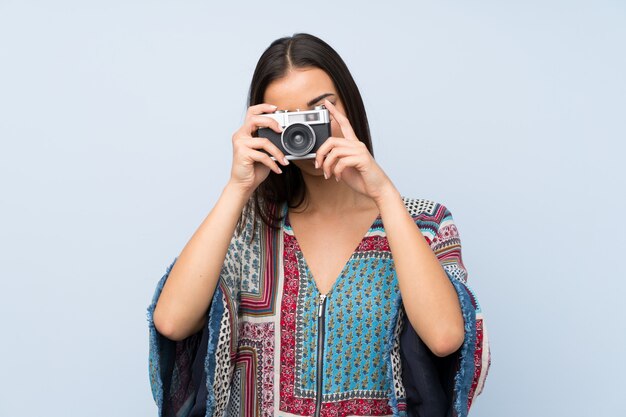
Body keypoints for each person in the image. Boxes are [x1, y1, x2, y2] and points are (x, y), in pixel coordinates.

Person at [146, 33, 490, 417]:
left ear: (349, 105)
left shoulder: (426, 222)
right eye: (286, 119)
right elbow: (172, 322)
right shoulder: (245, 224)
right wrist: (238, 187)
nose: (303, 131)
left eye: (319, 109)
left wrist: (386, 196)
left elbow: (445, 338)